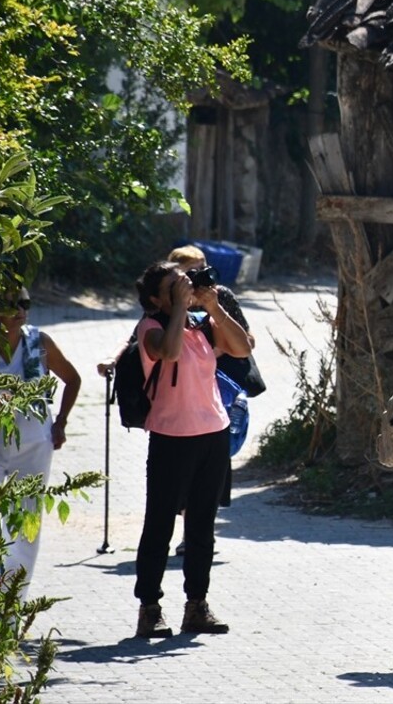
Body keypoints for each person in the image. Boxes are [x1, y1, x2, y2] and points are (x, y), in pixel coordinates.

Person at [130, 261, 252, 638]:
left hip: (213, 433)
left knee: (202, 525)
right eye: (173, 287)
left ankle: (196, 605)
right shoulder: (150, 328)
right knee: (160, 523)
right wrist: (181, 307)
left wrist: (213, 306)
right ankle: (149, 608)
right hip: (171, 437)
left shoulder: (200, 325)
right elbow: (167, 353)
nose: (183, 291)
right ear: (155, 298)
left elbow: (242, 347)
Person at [0, 287, 81, 601]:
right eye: (11, 304)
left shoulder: (40, 341)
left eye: (25, 303)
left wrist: (60, 422)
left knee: (27, 523)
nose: (20, 310)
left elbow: (72, 379)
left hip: (34, 445)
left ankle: (12, 602)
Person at [165, 245, 260, 556]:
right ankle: (185, 528)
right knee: (179, 468)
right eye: (192, 270)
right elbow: (147, 334)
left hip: (217, 392)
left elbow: (248, 340)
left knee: (212, 465)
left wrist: (213, 346)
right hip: (177, 395)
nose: (200, 275)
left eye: (204, 266)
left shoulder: (220, 295)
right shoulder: (166, 298)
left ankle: (197, 532)